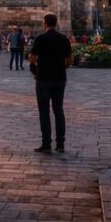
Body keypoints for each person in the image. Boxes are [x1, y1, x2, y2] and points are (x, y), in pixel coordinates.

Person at [30, 13, 73, 153]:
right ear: (56, 23)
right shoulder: (64, 39)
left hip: (43, 79)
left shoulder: (40, 38)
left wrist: (35, 70)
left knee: (44, 112)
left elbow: (32, 58)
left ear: (45, 23)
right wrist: (61, 67)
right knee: (59, 111)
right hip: (59, 78)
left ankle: (46, 143)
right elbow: (69, 60)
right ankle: (60, 144)